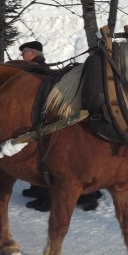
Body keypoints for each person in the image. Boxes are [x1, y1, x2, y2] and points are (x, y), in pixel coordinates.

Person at [17, 40, 103, 212]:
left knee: (45, 156)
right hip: (43, 116)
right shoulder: (38, 67)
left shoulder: (38, 69)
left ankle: (47, 196)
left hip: (43, 117)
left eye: (25, 51)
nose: (22, 55)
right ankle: (37, 189)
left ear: (33, 53)